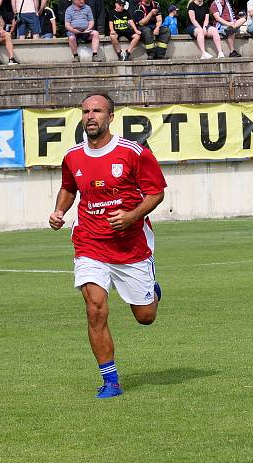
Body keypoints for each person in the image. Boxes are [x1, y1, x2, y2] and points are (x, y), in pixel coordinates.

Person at [49, 92, 166, 399]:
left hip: (130, 246)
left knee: (145, 316)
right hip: (89, 243)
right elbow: (68, 187)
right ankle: (110, 380)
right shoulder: (72, 156)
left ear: (110, 116)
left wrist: (131, 216)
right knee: (95, 310)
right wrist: (60, 210)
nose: (90, 116)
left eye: (97, 111)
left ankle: (151, 288)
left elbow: (156, 194)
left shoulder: (134, 152)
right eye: (86, 111)